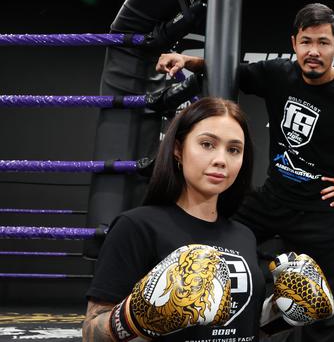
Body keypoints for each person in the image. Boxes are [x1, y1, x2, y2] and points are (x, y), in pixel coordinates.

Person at [156, 3, 334, 342]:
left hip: (321, 215)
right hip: (271, 200)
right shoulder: (278, 74)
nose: (314, 51)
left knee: (322, 314)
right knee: (217, 254)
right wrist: (189, 61)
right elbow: (232, 71)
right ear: (294, 42)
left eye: (323, 43)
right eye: (306, 41)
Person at [82, 97, 265, 341]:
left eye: (233, 149)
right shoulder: (137, 227)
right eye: (207, 144)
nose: (221, 159)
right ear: (178, 149)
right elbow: (91, 334)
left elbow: (240, 326)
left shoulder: (244, 236)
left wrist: (279, 314)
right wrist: (134, 317)